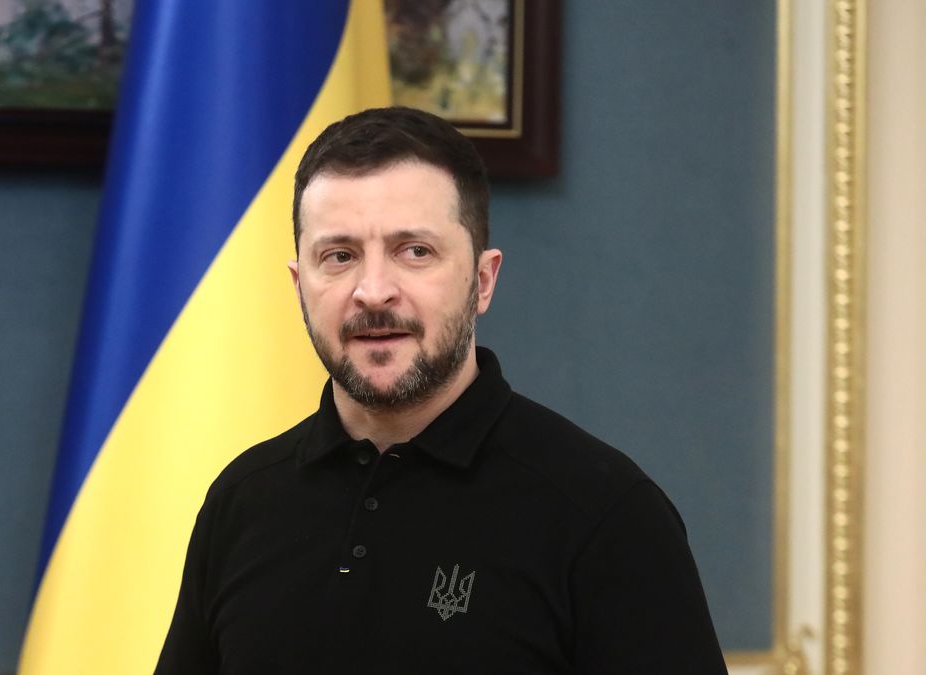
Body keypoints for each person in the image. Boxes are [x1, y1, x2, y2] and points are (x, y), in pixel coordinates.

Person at [156, 106, 727, 674]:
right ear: (300, 284)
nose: (373, 291)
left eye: (415, 251)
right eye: (339, 256)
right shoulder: (241, 502)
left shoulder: (607, 514)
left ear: (482, 281)